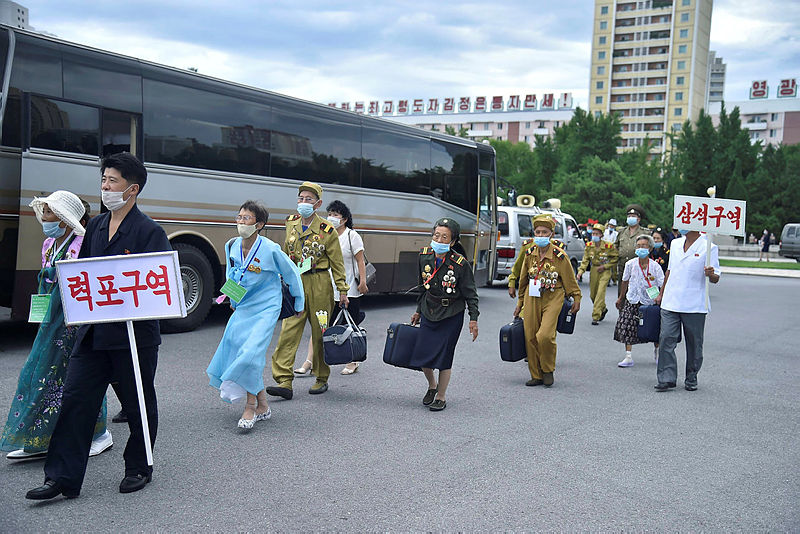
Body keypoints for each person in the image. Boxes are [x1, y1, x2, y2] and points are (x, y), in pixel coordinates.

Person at [25, 153, 172, 500]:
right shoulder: (94, 226)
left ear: (132, 189)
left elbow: (161, 285)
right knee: (76, 400)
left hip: (133, 336)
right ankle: (61, 477)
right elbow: (85, 275)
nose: (105, 186)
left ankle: (139, 466)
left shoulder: (150, 231)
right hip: (93, 333)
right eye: (103, 179)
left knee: (138, 403)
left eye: (113, 181)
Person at [1, 193, 112, 461]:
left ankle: (99, 434)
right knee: (43, 375)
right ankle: (41, 437)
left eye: (50, 213)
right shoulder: (49, 244)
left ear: (64, 218)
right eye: (45, 212)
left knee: (83, 377)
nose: (44, 218)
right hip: (52, 319)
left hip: (75, 320)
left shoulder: (83, 242)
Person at [207, 201, 304, 429]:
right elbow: (232, 275)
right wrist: (232, 299)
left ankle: (250, 407)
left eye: (246, 218)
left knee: (251, 353)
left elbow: (291, 274)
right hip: (244, 306)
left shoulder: (270, 249)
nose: (241, 222)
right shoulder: (232, 245)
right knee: (236, 346)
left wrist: (299, 301)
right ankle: (262, 404)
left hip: (266, 307)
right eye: (239, 217)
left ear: (259, 224)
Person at [268, 182, 349, 399]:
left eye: (309, 199)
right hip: (296, 283)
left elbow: (337, 262)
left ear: (318, 203)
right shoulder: (291, 223)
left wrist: (342, 290)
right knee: (288, 331)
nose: (304, 202)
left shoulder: (327, 230)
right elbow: (286, 253)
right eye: (301, 198)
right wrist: (280, 277)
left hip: (320, 284)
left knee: (320, 332)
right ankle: (284, 380)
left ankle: (321, 377)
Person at [409, 218, 479, 411]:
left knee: (444, 357)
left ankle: (441, 395)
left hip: (451, 314)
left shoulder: (460, 264)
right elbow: (421, 286)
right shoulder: (424, 256)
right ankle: (432, 386)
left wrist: (473, 319)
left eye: (444, 237)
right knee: (424, 355)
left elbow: (471, 294)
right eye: (436, 235)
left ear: (453, 241)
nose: (439, 240)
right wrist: (417, 311)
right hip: (428, 310)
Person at [295, 200, 368, 377]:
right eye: (330, 214)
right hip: (325, 288)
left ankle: (352, 361)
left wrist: (363, 282)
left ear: (344, 218)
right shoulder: (323, 234)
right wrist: (297, 271)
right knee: (320, 326)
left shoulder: (352, 236)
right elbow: (314, 259)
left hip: (348, 289)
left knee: (348, 326)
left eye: (336, 214)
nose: (331, 217)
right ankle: (310, 361)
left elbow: (360, 260)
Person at [514, 214, 581, 388]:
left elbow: (570, 280)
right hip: (532, 296)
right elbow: (523, 279)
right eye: (538, 232)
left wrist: (576, 297)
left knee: (544, 335)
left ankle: (548, 369)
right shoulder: (529, 253)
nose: (541, 235)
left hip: (554, 296)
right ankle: (536, 374)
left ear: (551, 234)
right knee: (530, 336)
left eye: (544, 232)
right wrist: (520, 302)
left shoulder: (560, 256)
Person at [654, 229, 721, 391]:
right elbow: (670, 270)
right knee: (666, 338)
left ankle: (691, 376)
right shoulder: (675, 243)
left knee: (694, 343)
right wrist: (661, 293)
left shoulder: (709, 247)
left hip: (694, 303)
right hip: (671, 301)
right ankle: (666, 378)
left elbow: (716, 278)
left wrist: (710, 274)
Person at [613, 234, 665, 367]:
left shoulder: (655, 266)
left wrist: (660, 297)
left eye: (644, 246)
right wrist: (621, 298)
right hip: (633, 298)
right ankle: (628, 356)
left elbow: (662, 283)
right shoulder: (630, 264)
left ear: (650, 248)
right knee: (627, 325)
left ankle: (658, 352)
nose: (641, 248)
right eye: (638, 246)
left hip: (650, 300)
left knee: (654, 328)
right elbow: (624, 281)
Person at [577, 223, 618, 325]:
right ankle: (603, 309)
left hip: (605, 271)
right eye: (593, 233)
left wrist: (605, 266)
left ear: (601, 235)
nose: (594, 235)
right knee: (593, 295)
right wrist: (580, 272)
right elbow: (585, 260)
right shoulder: (589, 246)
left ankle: (596, 316)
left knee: (600, 293)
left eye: (597, 233)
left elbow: (615, 258)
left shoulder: (609, 246)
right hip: (594, 270)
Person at [615, 204, 651, 296]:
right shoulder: (621, 232)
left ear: (638, 219)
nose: (631, 218)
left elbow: (650, 247)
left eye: (633, 216)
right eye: (629, 216)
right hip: (623, 265)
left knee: (637, 291)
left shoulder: (645, 232)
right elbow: (616, 245)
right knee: (622, 291)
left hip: (639, 266)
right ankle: (622, 309)